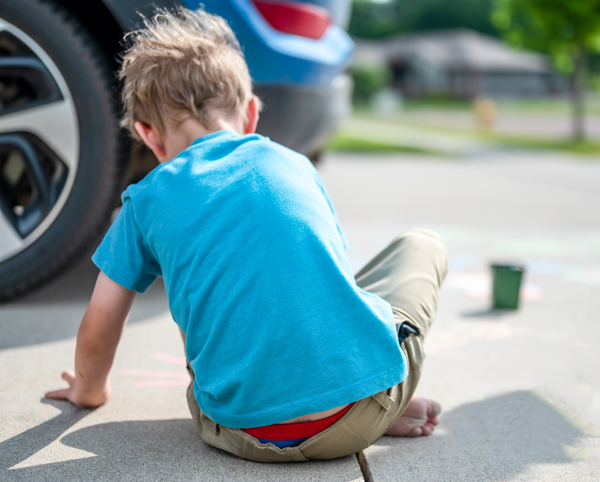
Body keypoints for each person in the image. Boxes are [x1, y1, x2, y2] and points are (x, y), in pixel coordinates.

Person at [45, 7, 447, 462]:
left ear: (149, 137)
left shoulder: (145, 200)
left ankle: (315, 397)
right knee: (419, 245)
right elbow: (328, 283)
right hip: (359, 415)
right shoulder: (296, 165)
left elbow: (99, 326)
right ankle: (371, 394)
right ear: (251, 113)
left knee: (209, 293)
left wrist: (88, 392)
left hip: (240, 432)